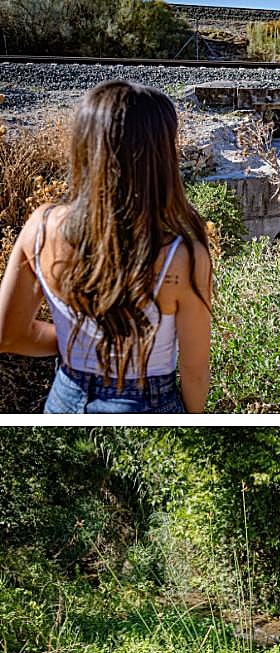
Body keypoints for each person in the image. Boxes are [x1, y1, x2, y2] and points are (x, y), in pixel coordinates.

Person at [0, 80, 212, 413]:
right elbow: (194, 371)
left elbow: (8, 334)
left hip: (65, 399)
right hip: (148, 403)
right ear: (161, 154)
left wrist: (76, 344)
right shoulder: (182, 257)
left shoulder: (40, 227)